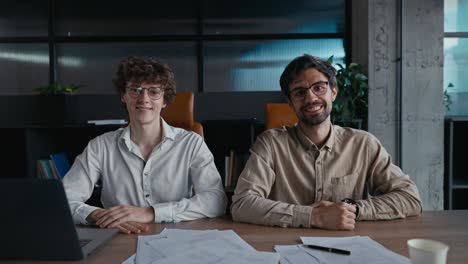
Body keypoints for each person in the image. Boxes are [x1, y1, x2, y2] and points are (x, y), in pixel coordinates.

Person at [231, 54, 422, 230]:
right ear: (290, 103)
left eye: (319, 88)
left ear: (334, 92)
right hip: (286, 246)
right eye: (299, 92)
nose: (311, 98)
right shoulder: (271, 144)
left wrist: (353, 209)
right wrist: (313, 216)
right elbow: (242, 204)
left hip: (348, 246)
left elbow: (410, 197)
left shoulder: (363, 144)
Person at [63, 56, 227, 234]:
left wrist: (151, 213)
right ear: (123, 96)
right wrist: (97, 215)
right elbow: (64, 199)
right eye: (135, 90)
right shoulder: (100, 147)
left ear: (164, 100)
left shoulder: (191, 143)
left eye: (154, 91)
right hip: (119, 237)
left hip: (177, 237)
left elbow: (216, 201)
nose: (144, 99)